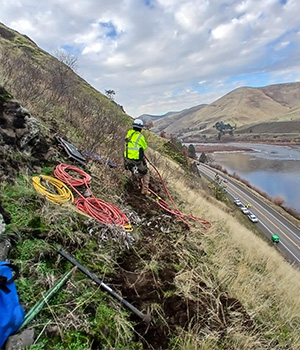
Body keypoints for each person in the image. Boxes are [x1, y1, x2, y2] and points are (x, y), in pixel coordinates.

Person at [124, 119, 150, 195]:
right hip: (136, 160)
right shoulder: (140, 137)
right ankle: (144, 189)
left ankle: (135, 184)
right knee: (146, 172)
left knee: (133, 170)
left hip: (127, 159)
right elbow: (144, 146)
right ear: (141, 128)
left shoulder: (129, 133)